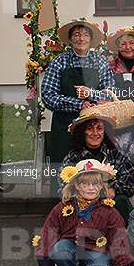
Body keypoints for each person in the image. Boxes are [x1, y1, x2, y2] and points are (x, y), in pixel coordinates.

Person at [33, 159, 134, 266]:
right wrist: (44, 262)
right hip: (70, 246)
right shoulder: (63, 207)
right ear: (77, 186)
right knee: (59, 250)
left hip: (96, 249)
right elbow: (49, 231)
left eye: (95, 184)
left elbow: (119, 239)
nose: (91, 188)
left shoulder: (109, 211)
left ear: (101, 186)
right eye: (85, 184)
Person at [41, 20, 115, 164]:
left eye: (85, 35)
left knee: (93, 171)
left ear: (91, 39)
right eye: (76, 34)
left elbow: (110, 94)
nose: (81, 39)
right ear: (70, 39)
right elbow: (47, 95)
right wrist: (79, 104)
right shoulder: (60, 62)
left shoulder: (100, 62)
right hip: (64, 128)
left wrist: (91, 94)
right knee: (62, 172)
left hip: (93, 128)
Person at [63, 104, 134, 221]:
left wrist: (113, 188)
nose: (95, 133)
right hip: (82, 203)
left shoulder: (115, 153)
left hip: (111, 203)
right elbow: (63, 185)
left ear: (105, 132)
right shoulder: (73, 156)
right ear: (82, 132)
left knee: (121, 201)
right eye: (89, 129)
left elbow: (129, 179)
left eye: (99, 128)